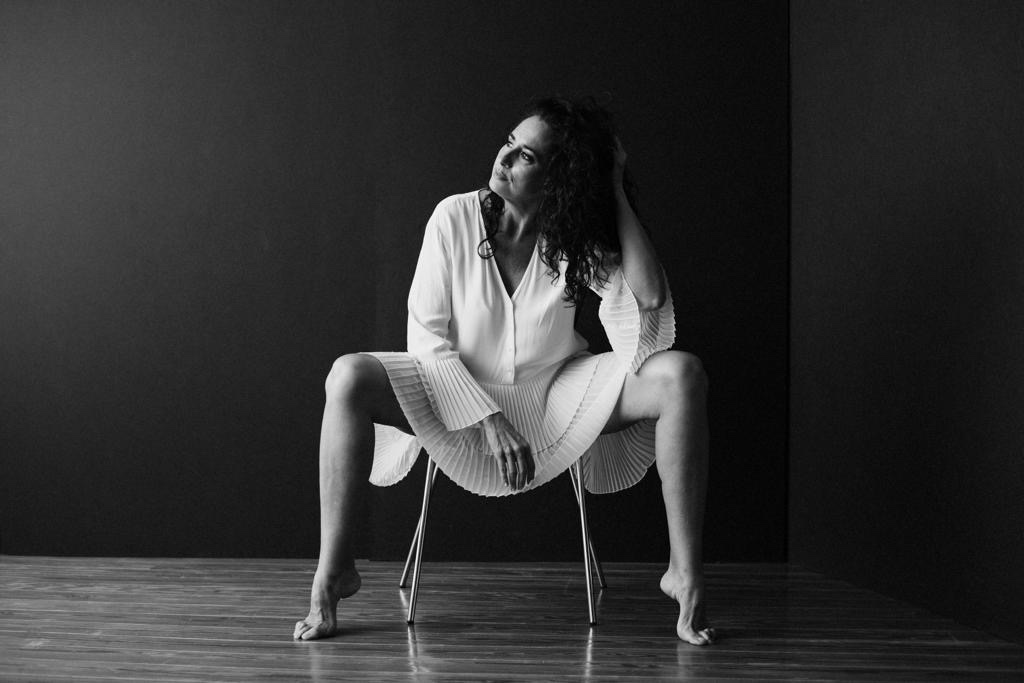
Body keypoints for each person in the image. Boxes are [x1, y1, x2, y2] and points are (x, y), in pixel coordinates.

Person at [293, 96, 714, 645]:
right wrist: (487, 417)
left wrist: (612, 187)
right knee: (346, 375)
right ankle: (334, 571)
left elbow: (650, 296)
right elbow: (427, 339)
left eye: (526, 157)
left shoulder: (572, 236)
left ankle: (684, 574)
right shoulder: (454, 216)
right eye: (508, 144)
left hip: (558, 394)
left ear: (559, 178)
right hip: (452, 395)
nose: (504, 159)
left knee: (682, 375)